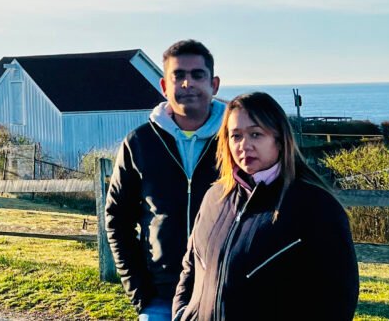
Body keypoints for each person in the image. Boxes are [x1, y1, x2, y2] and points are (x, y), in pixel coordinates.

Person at [172, 92, 359, 321]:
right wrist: (181, 313)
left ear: (279, 140)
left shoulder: (315, 206)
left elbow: (337, 300)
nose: (244, 146)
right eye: (236, 136)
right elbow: (190, 267)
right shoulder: (214, 197)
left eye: (256, 134)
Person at [105, 39, 226, 320]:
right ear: (164, 86)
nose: (187, 83)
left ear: (214, 84)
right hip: (160, 299)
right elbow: (117, 219)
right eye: (178, 75)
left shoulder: (235, 141)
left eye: (197, 75)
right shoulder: (140, 142)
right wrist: (139, 292)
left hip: (221, 294)